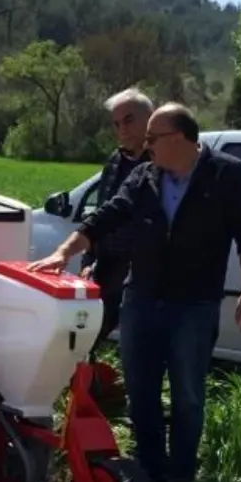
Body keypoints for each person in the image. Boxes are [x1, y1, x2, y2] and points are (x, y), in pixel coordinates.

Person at [30, 103, 241, 482]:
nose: (147, 145)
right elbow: (106, 216)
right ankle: (149, 471)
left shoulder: (227, 175)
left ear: (182, 138)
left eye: (154, 138)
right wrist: (64, 252)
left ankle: (180, 474)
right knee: (141, 389)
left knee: (188, 394)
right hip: (141, 300)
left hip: (195, 304)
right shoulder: (143, 176)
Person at [81, 88, 153, 345]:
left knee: (139, 344)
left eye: (129, 120)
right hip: (107, 266)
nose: (122, 129)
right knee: (87, 337)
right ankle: (86, 382)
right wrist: (88, 261)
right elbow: (102, 212)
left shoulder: (163, 162)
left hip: (141, 273)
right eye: (116, 124)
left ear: (150, 119)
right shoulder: (115, 161)